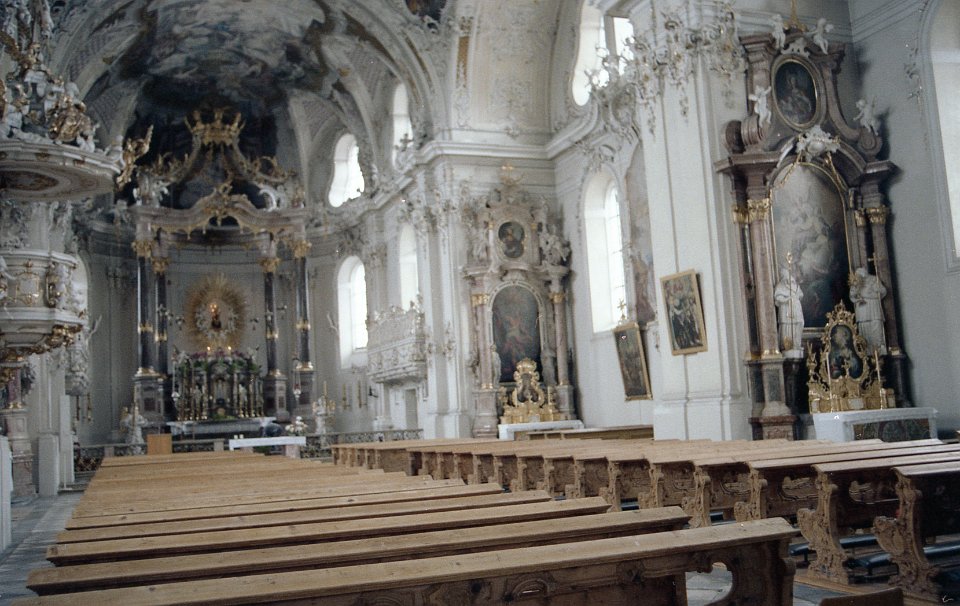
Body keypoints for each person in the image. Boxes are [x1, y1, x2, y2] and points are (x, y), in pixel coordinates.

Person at [849, 267, 887, 355]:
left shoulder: (874, 279)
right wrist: (857, 295)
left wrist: (874, 292)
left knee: (877, 331)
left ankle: (879, 352)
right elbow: (852, 296)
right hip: (862, 311)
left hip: (874, 309)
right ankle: (868, 353)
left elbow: (883, 291)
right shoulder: (856, 282)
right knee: (865, 334)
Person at [774, 266, 804, 356]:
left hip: (796, 309)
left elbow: (800, 294)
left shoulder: (796, 286)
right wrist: (787, 299)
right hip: (786, 311)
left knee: (799, 324)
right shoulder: (781, 286)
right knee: (787, 328)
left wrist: (794, 298)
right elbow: (777, 297)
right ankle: (788, 346)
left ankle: (796, 344)